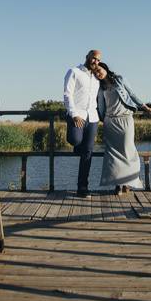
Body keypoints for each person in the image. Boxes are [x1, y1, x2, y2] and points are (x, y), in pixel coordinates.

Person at [93, 62, 151, 195]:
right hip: (110, 122)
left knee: (128, 151)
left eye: (99, 70)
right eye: (95, 73)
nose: (97, 73)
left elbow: (132, 94)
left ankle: (128, 182)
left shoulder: (119, 79)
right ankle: (118, 184)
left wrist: (145, 107)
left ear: (105, 68)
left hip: (125, 119)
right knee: (113, 154)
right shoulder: (99, 87)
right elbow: (99, 105)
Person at [63, 50, 102, 197]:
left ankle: (82, 187)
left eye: (98, 60)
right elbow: (67, 94)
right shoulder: (74, 72)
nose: (95, 62)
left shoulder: (97, 77)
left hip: (92, 117)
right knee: (75, 140)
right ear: (87, 57)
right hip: (77, 115)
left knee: (88, 152)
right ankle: (76, 141)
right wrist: (73, 114)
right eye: (93, 58)